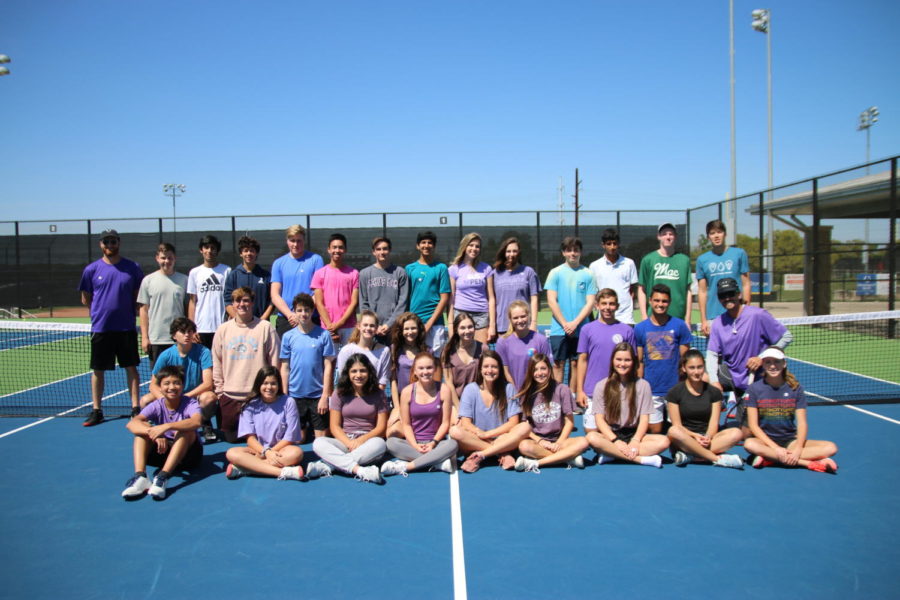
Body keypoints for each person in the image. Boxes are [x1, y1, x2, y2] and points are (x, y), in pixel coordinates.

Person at [78, 229, 144, 426]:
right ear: (101, 244)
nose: (110, 245)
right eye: (106, 241)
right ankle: (97, 410)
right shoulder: (91, 270)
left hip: (126, 328)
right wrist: (100, 313)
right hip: (101, 329)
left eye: (113, 241)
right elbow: (86, 298)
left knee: (131, 368)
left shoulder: (132, 267)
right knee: (98, 370)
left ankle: (135, 408)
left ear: (119, 243)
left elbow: (137, 295)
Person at [743, 347, 839, 473]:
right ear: (763, 365)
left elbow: (802, 423)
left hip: (790, 440)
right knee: (749, 444)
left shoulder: (795, 388)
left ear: (784, 363)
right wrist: (776, 448)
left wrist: (798, 448)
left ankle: (770, 459)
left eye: (777, 361)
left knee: (831, 448)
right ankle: (807, 463)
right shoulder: (754, 389)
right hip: (765, 441)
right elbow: (753, 426)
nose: (772, 366)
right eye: (768, 362)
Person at [706, 277, 792, 412]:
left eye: (731, 294)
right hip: (732, 377)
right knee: (698, 376)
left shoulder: (758, 315)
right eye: (723, 295)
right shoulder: (717, 323)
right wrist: (714, 382)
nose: (727, 298)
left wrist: (762, 357)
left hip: (759, 380)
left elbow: (786, 336)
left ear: (738, 294)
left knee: (756, 425)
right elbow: (712, 354)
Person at [121, 366, 202, 501]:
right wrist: (153, 432)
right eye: (167, 383)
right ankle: (141, 477)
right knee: (141, 432)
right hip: (163, 452)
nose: (172, 387)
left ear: (182, 386)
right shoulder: (157, 405)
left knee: (185, 431)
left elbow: (197, 421)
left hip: (189, 456)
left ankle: (163, 477)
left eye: (176, 383)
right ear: (159, 387)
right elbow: (132, 423)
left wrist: (166, 427)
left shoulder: (190, 403)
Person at [211, 286, 281, 442]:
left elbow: (274, 361)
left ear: (252, 303)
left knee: (261, 439)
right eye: (238, 300)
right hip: (230, 395)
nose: (242, 304)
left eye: (246, 300)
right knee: (232, 439)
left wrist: (271, 390)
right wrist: (220, 391)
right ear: (233, 304)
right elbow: (217, 361)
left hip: (257, 396)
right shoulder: (223, 330)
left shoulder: (265, 328)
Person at [585, 342, 670, 467]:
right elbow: (599, 419)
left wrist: (635, 441)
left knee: (664, 441)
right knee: (591, 437)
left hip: (634, 434)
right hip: (611, 434)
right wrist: (616, 441)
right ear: (612, 361)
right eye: (618, 359)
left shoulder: (644, 385)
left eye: (627, 360)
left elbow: (644, 418)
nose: (622, 364)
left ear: (633, 362)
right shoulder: (601, 386)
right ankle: (641, 459)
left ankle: (611, 454)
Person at [308, 355, 388, 484]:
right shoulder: (339, 393)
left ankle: (330, 466)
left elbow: (381, 428)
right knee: (318, 442)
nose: (359, 375)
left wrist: (361, 440)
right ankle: (360, 470)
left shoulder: (379, 394)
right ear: (348, 374)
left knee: (380, 444)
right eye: (354, 371)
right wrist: (349, 443)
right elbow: (334, 426)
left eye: (363, 370)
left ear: (369, 372)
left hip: (367, 443)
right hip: (345, 442)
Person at [450, 350, 529, 473]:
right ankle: (501, 454)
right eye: (486, 366)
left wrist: (489, 434)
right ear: (480, 370)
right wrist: (481, 434)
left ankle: (479, 455)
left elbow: (513, 423)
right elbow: (466, 423)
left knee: (525, 427)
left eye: (494, 367)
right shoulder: (470, 389)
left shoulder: (508, 388)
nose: (490, 370)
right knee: (455, 431)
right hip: (477, 440)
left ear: (500, 369)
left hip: (503, 439)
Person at [140, 317, 217, 441]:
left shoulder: (204, 352)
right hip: (171, 394)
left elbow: (208, 384)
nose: (187, 335)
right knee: (145, 400)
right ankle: (155, 429)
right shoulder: (166, 355)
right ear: (174, 336)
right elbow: (153, 385)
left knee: (209, 398)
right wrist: (165, 400)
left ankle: (205, 422)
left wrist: (184, 398)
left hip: (194, 395)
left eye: (190, 331)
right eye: (182, 332)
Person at [381, 353, 459, 477]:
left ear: (434, 369)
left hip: (436, 443)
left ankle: (406, 466)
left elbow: (445, 423)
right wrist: (415, 445)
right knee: (391, 443)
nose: (425, 372)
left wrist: (433, 443)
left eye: (429, 368)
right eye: (421, 368)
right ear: (415, 371)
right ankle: (436, 463)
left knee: (452, 445)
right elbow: (406, 425)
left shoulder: (444, 390)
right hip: (413, 444)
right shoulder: (407, 392)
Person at [665, 349, 744, 468]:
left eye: (699, 367)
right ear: (684, 368)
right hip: (684, 439)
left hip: (708, 440)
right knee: (673, 431)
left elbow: (713, 424)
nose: (696, 372)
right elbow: (677, 425)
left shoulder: (715, 392)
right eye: (692, 368)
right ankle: (716, 458)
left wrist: (707, 437)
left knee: (737, 433)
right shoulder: (674, 393)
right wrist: (694, 436)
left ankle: (692, 457)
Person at [224, 366, 304, 481]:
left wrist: (271, 452)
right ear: (259, 385)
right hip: (257, 451)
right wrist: (265, 451)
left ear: (279, 385)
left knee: (296, 453)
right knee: (232, 453)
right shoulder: (249, 405)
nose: (269, 387)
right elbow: (250, 438)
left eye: (273, 383)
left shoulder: (289, 402)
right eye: (265, 383)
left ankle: (245, 468)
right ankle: (284, 472)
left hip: (281, 450)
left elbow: (289, 438)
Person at [513, 354, 589, 473]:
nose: (540, 373)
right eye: (535, 369)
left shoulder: (562, 389)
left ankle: (535, 462)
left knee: (584, 442)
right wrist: (540, 441)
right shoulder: (526, 394)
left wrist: (559, 442)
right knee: (524, 446)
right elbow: (524, 426)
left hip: (560, 441)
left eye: (543, 368)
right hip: (538, 442)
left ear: (549, 369)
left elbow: (569, 422)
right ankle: (567, 458)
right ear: (531, 372)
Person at [634, 284, 692, 433]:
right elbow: (639, 360)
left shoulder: (679, 325)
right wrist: (640, 386)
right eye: (657, 300)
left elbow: (685, 359)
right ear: (650, 301)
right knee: (655, 430)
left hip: (675, 388)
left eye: (664, 301)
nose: (660, 304)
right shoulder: (640, 328)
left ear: (669, 302)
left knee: (677, 430)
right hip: (652, 388)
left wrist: (684, 384)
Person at [576, 289, 635, 432]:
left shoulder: (627, 330)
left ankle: (609, 452)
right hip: (592, 391)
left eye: (611, 304)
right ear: (597, 305)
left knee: (617, 428)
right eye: (604, 303)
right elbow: (582, 360)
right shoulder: (587, 329)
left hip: (619, 389)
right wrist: (579, 390)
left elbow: (634, 362)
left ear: (617, 306)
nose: (607, 307)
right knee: (591, 432)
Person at [279, 293, 335, 442]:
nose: (303, 314)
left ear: (312, 311)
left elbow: (328, 366)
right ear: (295, 311)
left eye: (306, 310)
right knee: (299, 440)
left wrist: (325, 396)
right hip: (295, 395)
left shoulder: (323, 335)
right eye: (299, 310)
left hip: (317, 396)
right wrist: (284, 397)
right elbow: (284, 368)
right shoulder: (288, 337)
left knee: (321, 441)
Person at [545, 236, 598, 388]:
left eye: (576, 250)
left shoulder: (588, 274)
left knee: (576, 363)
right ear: (563, 253)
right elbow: (551, 301)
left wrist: (575, 323)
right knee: (558, 364)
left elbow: (590, 302)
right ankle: (557, 399)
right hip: (558, 329)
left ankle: (574, 399)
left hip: (581, 329)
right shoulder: (555, 273)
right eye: (569, 250)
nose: (572, 254)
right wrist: (565, 323)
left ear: (581, 252)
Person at [696, 219, 751, 336]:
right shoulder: (702, 260)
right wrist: (703, 319)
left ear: (725, 234)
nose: (716, 236)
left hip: (737, 314)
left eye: (719, 232)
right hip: (713, 315)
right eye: (712, 233)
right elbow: (702, 291)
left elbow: (746, 284)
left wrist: (746, 312)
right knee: (715, 353)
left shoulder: (739, 254)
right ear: (708, 237)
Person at [137, 242, 187, 368]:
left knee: (179, 378)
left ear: (175, 258)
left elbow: (188, 308)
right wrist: (145, 337)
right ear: (157, 258)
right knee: (158, 378)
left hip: (178, 339)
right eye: (163, 258)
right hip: (156, 339)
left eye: (170, 257)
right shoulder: (148, 280)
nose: (167, 261)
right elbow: (143, 310)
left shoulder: (184, 280)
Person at [270, 224, 324, 336]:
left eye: (299, 241)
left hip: (311, 319)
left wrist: (304, 313)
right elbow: (275, 295)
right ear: (287, 241)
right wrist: (290, 315)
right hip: (286, 320)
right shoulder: (278, 263)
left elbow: (319, 292)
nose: (295, 244)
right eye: (292, 240)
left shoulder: (316, 260)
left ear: (304, 241)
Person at [405, 230, 451, 357]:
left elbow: (444, 298)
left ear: (434, 246)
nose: (426, 245)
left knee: (435, 362)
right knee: (414, 361)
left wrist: (429, 324)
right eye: (423, 242)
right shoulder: (409, 269)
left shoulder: (441, 268)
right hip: (414, 325)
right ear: (418, 246)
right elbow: (406, 297)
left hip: (435, 325)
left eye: (430, 243)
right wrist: (411, 323)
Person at [311, 233, 359, 350]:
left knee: (349, 364)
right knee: (329, 363)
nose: (337, 250)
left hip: (349, 327)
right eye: (334, 247)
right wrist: (330, 326)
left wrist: (340, 323)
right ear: (329, 249)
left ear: (345, 250)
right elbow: (319, 302)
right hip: (326, 327)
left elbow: (354, 303)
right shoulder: (319, 273)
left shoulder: (354, 273)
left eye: (340, 247)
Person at [638, 223, 692, 326]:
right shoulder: (648, 260)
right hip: (653, 320)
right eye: (664, 234)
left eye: (671, 234)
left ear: (675, 237)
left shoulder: (684, 260)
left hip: (678, 319)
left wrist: (688, 319)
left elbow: (688, 291)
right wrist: (644, 316)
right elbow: (641, 289)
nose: (668, 237)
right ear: (659, 237)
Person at [358, 236, 409, 343]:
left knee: (394, 358)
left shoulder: (400, 272)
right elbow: (364, 304)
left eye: (385, 249)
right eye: (378, 249)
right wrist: (374, 325)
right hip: (372, 330)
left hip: (394, 328)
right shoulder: (364, 274)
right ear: (373, 252)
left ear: (390, 250)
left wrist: (389, 324)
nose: (382, 252)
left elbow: (402, 302)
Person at [448, 232, 496, 343]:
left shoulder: (486, 268)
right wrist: (450, 325)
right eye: (471, 245)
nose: (474, 248)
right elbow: (451, 299)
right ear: (464, 246)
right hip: (460, 314)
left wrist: (492, 325)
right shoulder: (454, 269)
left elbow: (491, 298)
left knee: (481, 354)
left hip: (481, 316)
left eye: (477, 246)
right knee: (460, 353)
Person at [495, 300, 552, 391]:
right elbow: (505, 372)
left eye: (523, 316)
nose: (520, 320)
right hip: (513, 394)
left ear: (529, 316)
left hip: (537, 394)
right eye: (516, 318)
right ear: (510, 319)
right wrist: (515, 394)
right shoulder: (502, 343)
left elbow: (547, 369)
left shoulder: (541, 340)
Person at [187, 235, 231, 349]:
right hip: (201, 329)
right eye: (206, 247)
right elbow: (192, 302)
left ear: (217, 250)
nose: (209, 251)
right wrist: (192, 328)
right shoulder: (194, 273)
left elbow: (231, 300)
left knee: (222, 365)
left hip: (222, 328)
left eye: (213, 248)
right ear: (201, 250)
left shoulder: (227, 271)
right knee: (203, 365)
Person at [492, 236, 541, 335]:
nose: (511, 254)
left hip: (524, 326)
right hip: (502, 327)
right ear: (503, 253)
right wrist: (492, 325)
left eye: (515, 251)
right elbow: (491, 301)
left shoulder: (529, 272)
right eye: (508, 251)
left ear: (519, 253)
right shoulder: (495, 273)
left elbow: (534, 299)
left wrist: (534, 323)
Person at [589, 228, 639, 325]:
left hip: (626, 318)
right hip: (604, 318)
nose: (612, 247)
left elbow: (632, 290)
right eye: (608, 244)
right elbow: (593, 293)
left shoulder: (629, 263)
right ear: (603, 245)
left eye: (615, 243)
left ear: (618, 244)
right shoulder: (594, 266)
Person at [336, 310, 391, 390]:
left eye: (372, 326)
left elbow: (382, 382)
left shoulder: (384, 351)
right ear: (359, 326)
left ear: (376, 328)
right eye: (365, 325)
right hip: (351, 395)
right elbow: (343, 379)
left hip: (373, 396)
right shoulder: (346, 350)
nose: (368, 328)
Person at [440, 312, 483, 414]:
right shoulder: (447, 351)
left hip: (478, 400)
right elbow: (449, 382)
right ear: (456, 330)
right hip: (455, 401)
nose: (467, 331)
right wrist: (459, 407)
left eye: (470, 327)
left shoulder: (483, 349)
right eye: (462, 328)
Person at [224, 235, 273, 321]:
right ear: (241, 253)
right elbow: (228, 301)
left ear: (256, 253)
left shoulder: (266, 275)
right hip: (239, 325)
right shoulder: (233, 275)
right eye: (245, 251)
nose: (249, 253)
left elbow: (272, 301)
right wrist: (239, 319)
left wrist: (262, 320)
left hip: (260, 323)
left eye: (252, 251)